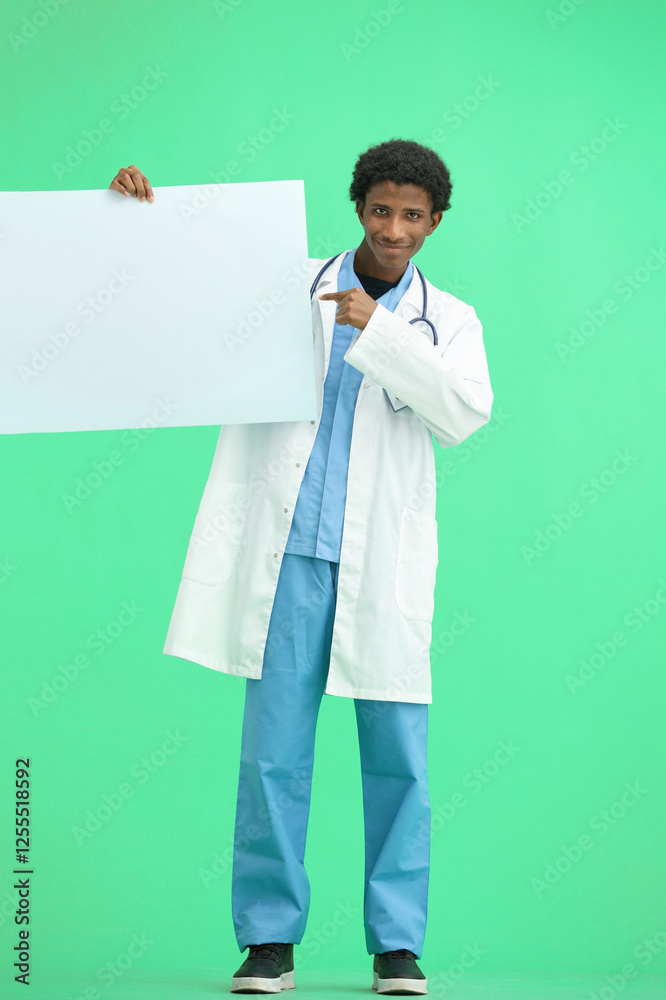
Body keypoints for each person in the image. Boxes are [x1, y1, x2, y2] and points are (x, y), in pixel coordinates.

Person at [109, 139, 493, 995]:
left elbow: (464, 411)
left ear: (434, 223)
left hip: (379, 562)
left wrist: (379, 332)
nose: (394, 229)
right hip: (285, 558)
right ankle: (269, 940)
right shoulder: (291, 287)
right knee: (272, 754)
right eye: (381, 209)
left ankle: (397, 945)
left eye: (413, 216)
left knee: (399, 756)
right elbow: (190, 288)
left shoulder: (451, 320)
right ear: (359, 207)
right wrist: (140, 217)